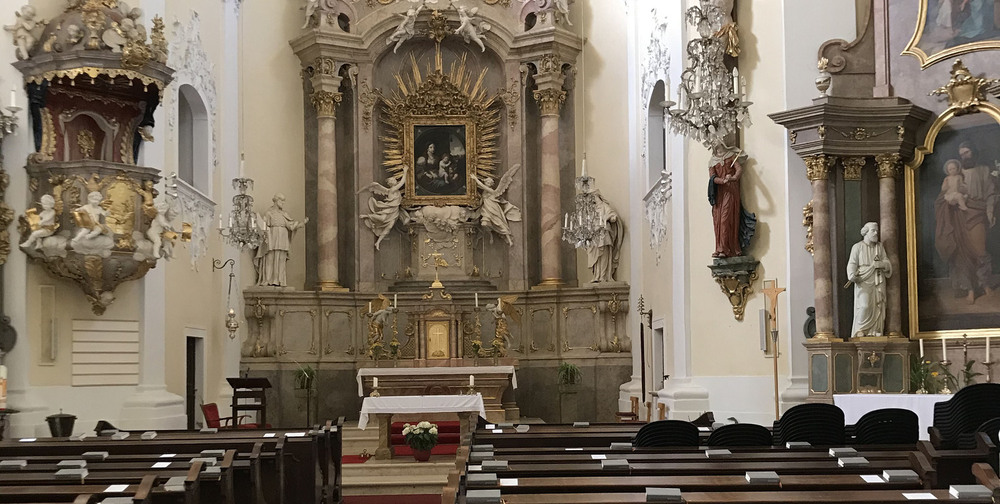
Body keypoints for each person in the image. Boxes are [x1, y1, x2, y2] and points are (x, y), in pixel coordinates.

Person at [934, 139, 998, 304]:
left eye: (967, 152)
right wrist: (949, 200)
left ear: (974, 152)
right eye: (961, 154)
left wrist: (990, 212)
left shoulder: (984, 170)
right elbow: (944, 195)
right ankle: (970, 289)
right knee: (962, 254)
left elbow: (991, 194)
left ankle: (985, 284)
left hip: (977, 212)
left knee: (980, 250)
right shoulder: (956, 173)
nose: (964, 157)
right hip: (959, 215)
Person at [707, 143, 755, 258]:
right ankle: (719, 248)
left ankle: (726, 249)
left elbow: (739, 170)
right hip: (719, 193)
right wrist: (722, 181)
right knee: (718, 220)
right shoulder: (712, 161)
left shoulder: (731, 155)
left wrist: (733, 178)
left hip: (730, 190)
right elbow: (712, 177)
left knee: (726, 218)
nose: (715, 143)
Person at [254, 193, 309, 287]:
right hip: (272, 236)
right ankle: (267, 279)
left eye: (284, 201)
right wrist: (258, 221)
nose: (283, 203)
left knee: (281, 259)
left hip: (283, 237)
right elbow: (264, 226)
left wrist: (302, 223)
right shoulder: (269, 213)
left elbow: (291, 227)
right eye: (282, 200)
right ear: (276, 201)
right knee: (270, 257)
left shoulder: (284, 214)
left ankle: (279, 280)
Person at [847, 222, 891, 337]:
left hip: (877, 278)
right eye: (873, 231)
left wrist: (881, 264)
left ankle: (874, 330)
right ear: (865, 232)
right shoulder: (857, 247)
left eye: (877, 231)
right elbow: (852, 263)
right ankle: (860, 330)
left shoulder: (879, 247)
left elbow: (887, 263)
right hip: (863, 279)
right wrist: (851, 274)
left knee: (878, 305)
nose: (876, 233)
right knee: (865, 305)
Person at [581, 179, 624, 282]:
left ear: (597, 196)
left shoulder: (605, 206)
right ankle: (597, 275)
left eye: (593, 197)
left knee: (604, 254)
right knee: (596, 256)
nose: (592, 200)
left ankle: (603, 276)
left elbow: (613, 216)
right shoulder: (592, 210)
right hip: (595, 235)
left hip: (604, 234)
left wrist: (610, 218)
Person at [359, 167, 408, 250]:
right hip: (389, 210)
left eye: (394, 179)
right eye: (393, 180)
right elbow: (402, 182)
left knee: (389, 227)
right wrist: (405, 171)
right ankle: (367, 216)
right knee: (382, 219)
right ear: (391, 183)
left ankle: (378, 242)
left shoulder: (393, 190)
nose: (395, 180)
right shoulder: (393, 189)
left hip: (394, 211)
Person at [474, 164, 522, 246]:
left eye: (489, 182)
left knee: (500, 224)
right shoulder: (484, 192)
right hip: (486, 209)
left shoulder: (492, 191)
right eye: (487, 182)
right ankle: (490, 235)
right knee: (484, 224)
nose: (488, 183)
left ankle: (509, 240)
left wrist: (475, 178)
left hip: (494, 208)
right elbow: (482, 199)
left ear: (491, 184)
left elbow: (482, 186)